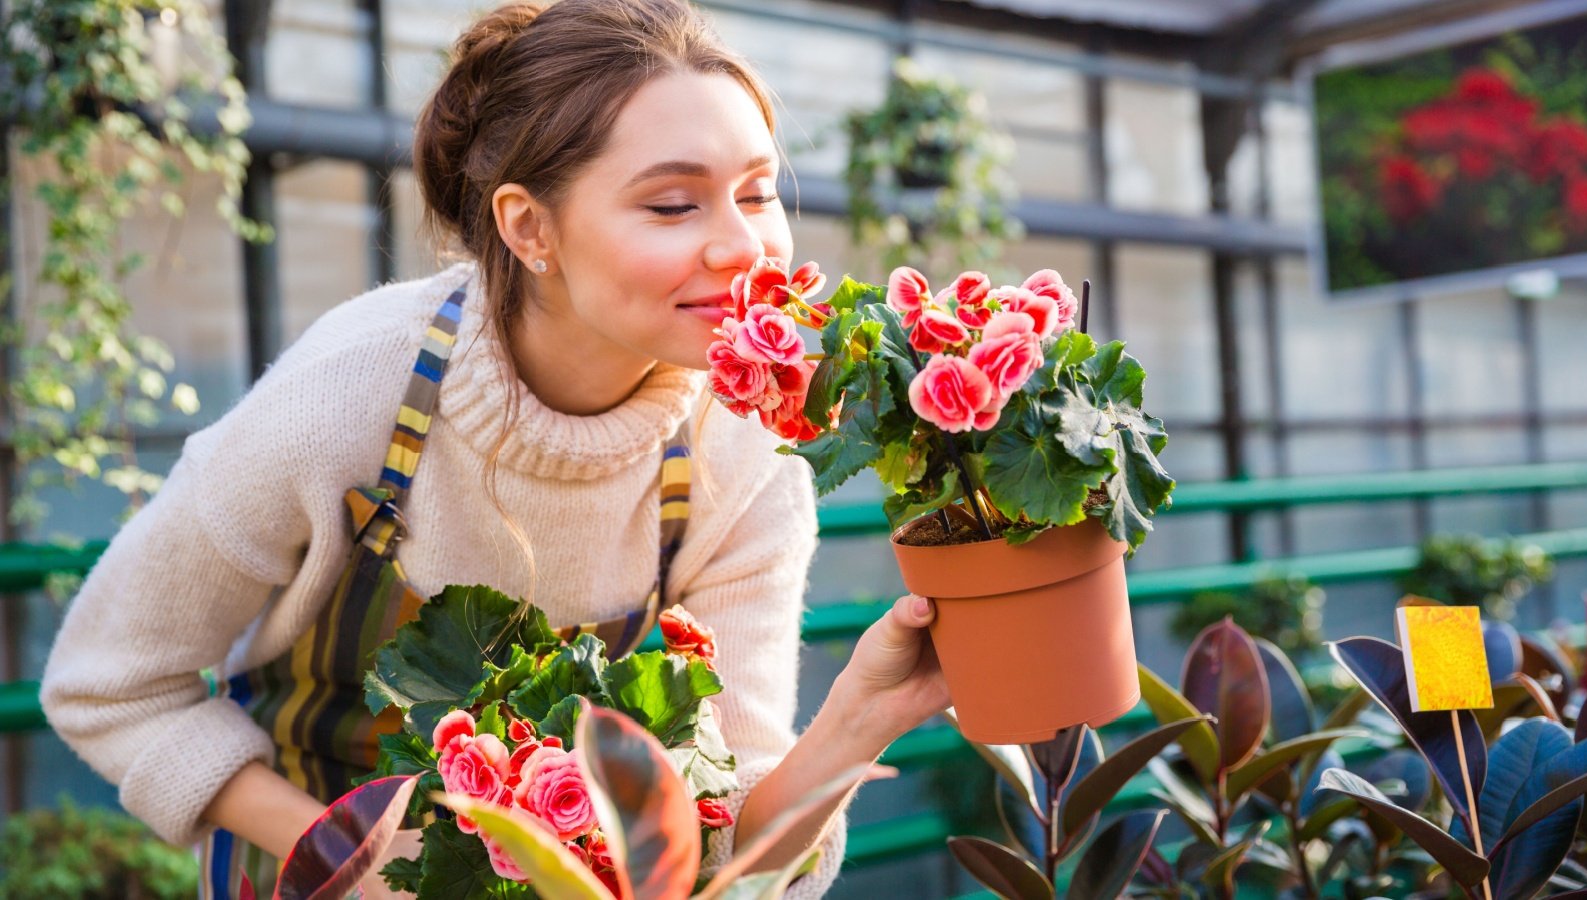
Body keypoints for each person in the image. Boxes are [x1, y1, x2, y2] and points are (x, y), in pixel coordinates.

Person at [38, 0, 952, 896]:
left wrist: (857, 722)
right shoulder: (351, 392)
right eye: (675, 204)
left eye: (757, 192)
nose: (746, 247)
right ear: (528, 227)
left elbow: (724, 844)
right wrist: (354, 858)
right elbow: (108, 685)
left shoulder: (745, 453)